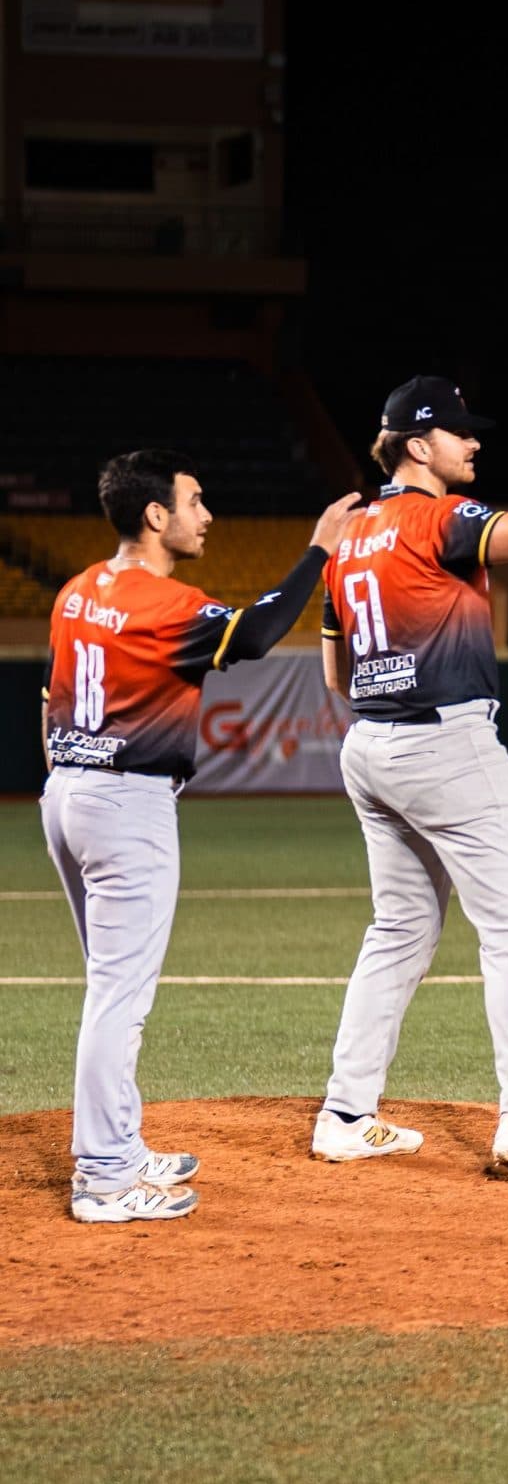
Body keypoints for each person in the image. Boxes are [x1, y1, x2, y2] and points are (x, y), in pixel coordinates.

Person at [312, 368, 508, 1183]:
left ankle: (346, 1112)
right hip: (445, 745)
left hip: (371, 745)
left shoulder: (353, 535)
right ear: (418, 444)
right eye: (459, 430)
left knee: (400, 932)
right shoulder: (435, 516)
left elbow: (336, 672)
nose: (474, 440)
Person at [43, 454, 358, 1221]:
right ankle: (105, 1175)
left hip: (67, 791)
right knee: (120, 996)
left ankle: (119, 1140)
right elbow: (254, 636)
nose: (206, 513)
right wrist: (318, 550)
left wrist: (68, 777)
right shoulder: (164, 602)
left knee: (109, 987)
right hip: (126, 805)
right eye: (194, 499)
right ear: (156, 516)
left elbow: (47, 694)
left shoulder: (79, 588)